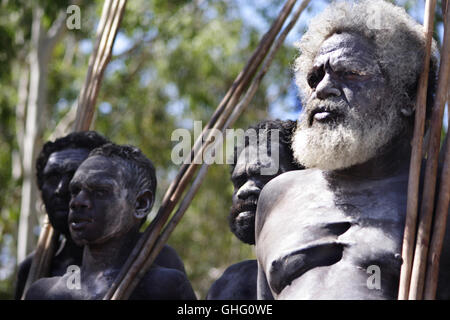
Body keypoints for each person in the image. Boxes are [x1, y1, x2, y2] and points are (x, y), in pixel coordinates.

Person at [255, 0, 450, 299]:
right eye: (314, 77)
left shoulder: (439, 197)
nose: (322, 89)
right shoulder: (278, 197)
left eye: (350, 73)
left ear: (408, 96)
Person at [25, 143, 196, 300]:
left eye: (100, 191)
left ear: (141, 204)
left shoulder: (165, 287)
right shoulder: (44, 293)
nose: (77, 202)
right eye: (75, 190)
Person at [207, 120, 302, 300]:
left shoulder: (336, 266)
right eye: (239, 181)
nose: (244, 189)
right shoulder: (229, 286)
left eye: (264, 175)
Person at [15, 131, 109, 299]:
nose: (61, 189)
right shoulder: (32, 270)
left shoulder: (147, 259)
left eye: (75, 176)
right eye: (52, 178)